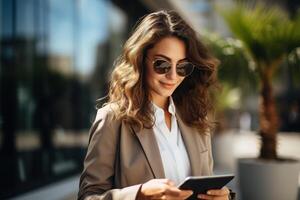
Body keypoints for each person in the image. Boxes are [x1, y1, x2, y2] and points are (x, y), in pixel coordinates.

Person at [78, 10, 234, 200]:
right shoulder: (112, 119)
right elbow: (88, 196)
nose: (173, 76)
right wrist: (139, 194)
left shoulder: (196, 119)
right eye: (162, 65)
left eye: (182, 66)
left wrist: (223, 197)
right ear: (140, 60)